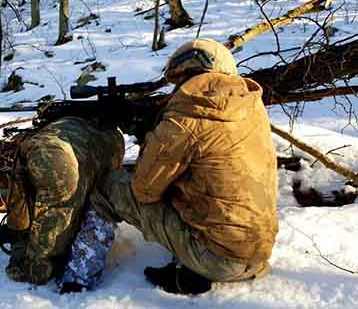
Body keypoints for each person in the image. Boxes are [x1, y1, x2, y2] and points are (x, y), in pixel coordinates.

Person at [59, 38, 279, 295]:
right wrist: (152, 129)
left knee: (108, 188)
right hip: (257, 253)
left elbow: (144, 189)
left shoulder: (186, 117)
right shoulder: (248, 106)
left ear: (183, 72)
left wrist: (149, 137)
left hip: (218, 258)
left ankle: (77, 280)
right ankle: (190, 271)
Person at [0, 116, 125, 285]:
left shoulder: (63, 124)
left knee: (48, 245)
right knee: (59, 215)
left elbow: (20, 194)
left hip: (47, 152)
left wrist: (18, 230)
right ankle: (39, 261)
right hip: (59, 157)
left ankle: (37, 266)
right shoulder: (113, 136)